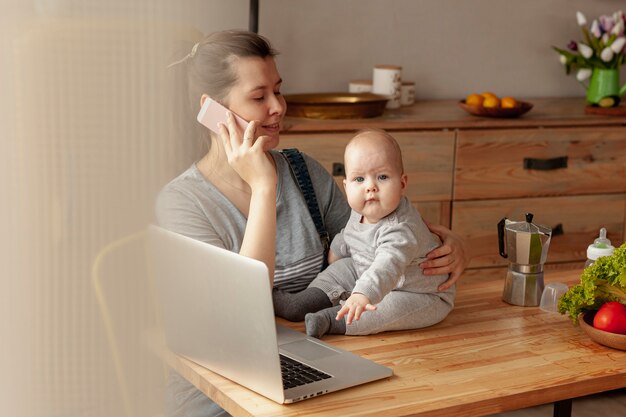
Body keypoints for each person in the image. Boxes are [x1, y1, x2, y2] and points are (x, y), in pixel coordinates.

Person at [156, 30, 468, 417]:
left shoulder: (304, 173)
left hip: (317, 359)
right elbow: (240, 316)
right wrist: (263, 187)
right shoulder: (182, 204)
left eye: (278, 91)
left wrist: (446, 242)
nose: (277, 107)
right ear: (212, 111)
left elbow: (373, 239)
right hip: (218, 391)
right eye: (258, 97)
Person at [274, 129, 455, 338]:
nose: (370, 187)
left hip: (418, 293)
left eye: (382, 177)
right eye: (359, 179)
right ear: (346, 185)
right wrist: (336, 250)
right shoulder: (360, 210)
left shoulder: (401, 228)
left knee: (385, 309)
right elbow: (348, 233)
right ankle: (302, 302)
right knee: (342, 268)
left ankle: (330, 320)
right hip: (366, 268)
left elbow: (386, 266)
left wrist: (362, 294)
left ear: (402, 183)